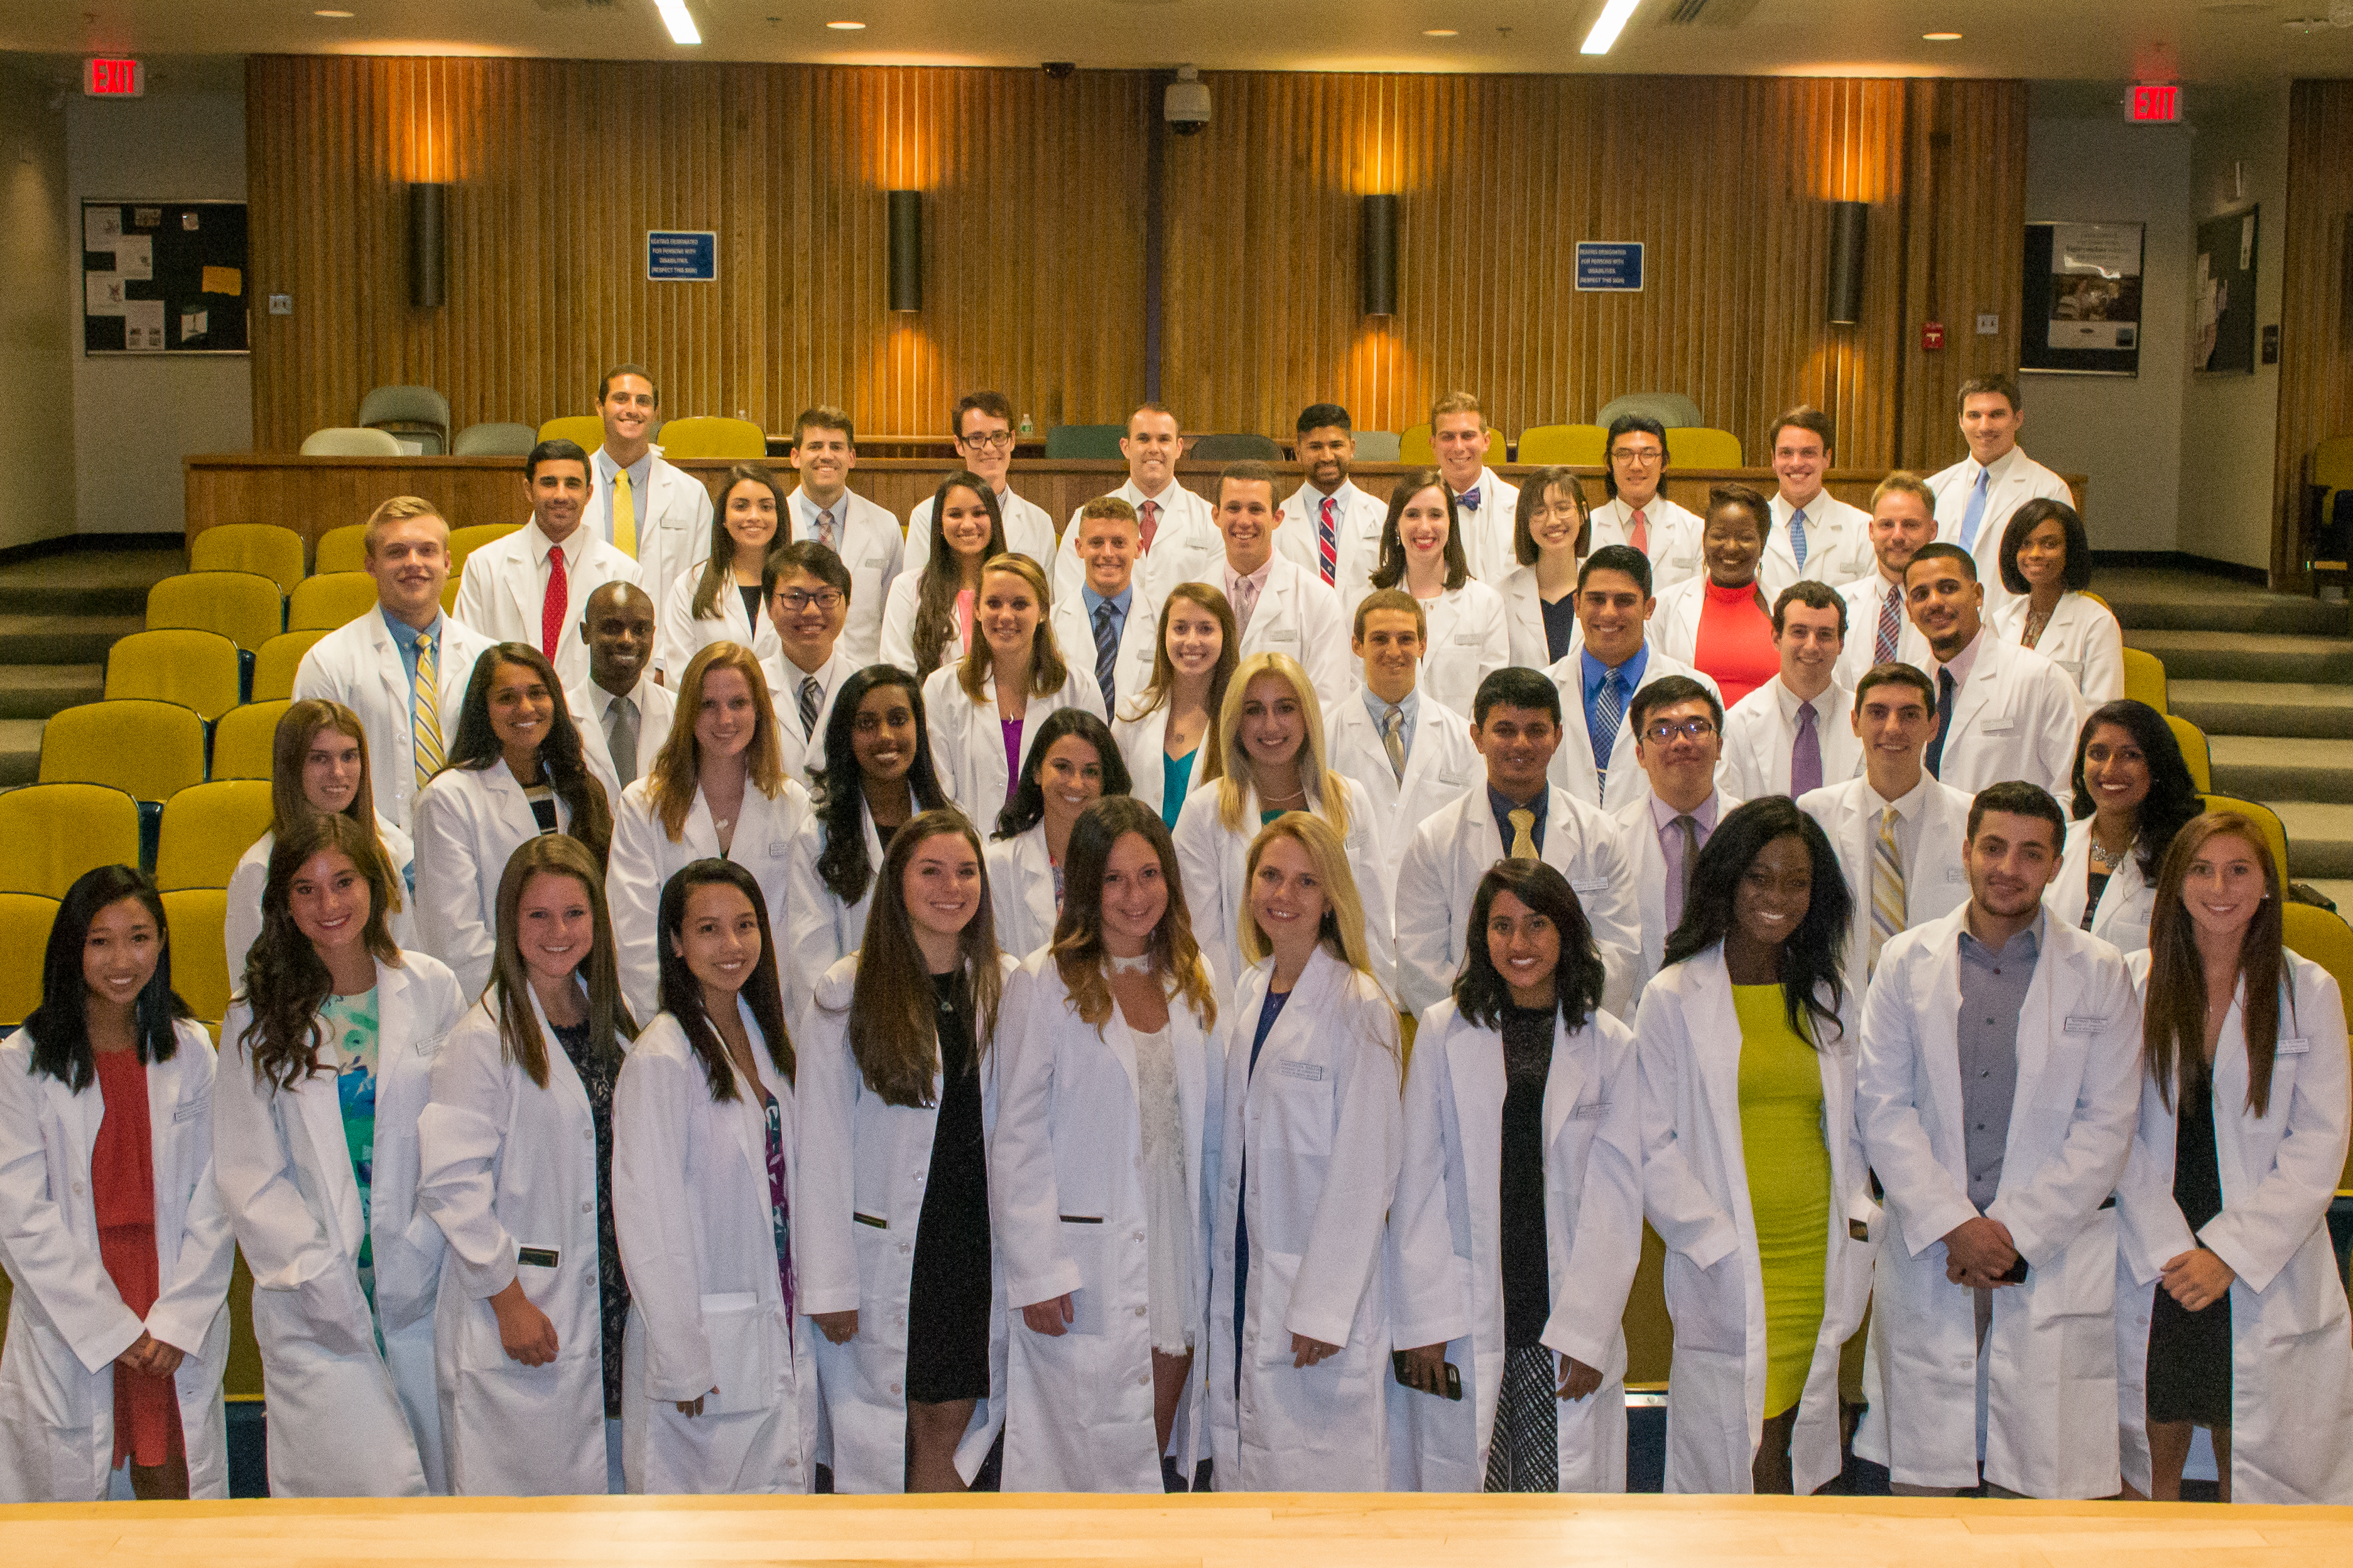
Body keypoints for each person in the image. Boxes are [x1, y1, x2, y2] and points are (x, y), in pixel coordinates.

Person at [1854, 781, 2143, 1500]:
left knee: (2037, 1495)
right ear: (1966, 851)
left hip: (2042, 1253)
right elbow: (1882, 1107)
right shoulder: (1904, 960)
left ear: (2054, 864)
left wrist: (2010, 1236)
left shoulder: (2100, 972)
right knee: (1924, 1490)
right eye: (1992, 847)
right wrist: (1955, 1226)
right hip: (1935, 1250)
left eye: (2029, 853)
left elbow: (2105, 1123)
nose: (2006, 867)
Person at [212, 813, 465, 1496]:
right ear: (283, 904)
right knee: (339, 1514)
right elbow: (246, 1169)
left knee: (439, 1506)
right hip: (315, 1298)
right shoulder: (254, 1014)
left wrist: (423, 1238)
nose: (328, 905)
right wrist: (314, 1272)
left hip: (423, 1274)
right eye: (305, 889)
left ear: (376, 885)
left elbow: (460, 1133)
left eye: (343, 881)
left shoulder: (434, 987)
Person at [2113, 813, 2353, 1504]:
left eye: (2238, 870)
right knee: (2149, 1431)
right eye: (2200, 869)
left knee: (2245, 1445)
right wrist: (2169, 1246)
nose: (2219, 887)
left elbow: (2318, 1142)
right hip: (2157, 1243)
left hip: (2256, 1251)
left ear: (2266, 888)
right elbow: (2108, 1128)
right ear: (2174, 884)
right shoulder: (2130, 981)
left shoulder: (2306, 991)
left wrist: (2228, 1254)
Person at [1636, 798, 1872, 1495]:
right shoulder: (1673, 996)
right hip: (1729, 1261)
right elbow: (1651, 1145)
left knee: (1801, 1448)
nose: (1776, 897)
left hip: (1811, 1256)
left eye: (1795, 882)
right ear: (1728, 881)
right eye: (1758, 878)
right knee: (1744, 1457)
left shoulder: (1827, 994)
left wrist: (1859, 1218)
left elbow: (1852, 1130)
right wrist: (1712, 1242)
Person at [991, 798, 1227, 1491]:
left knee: (1150, 1449)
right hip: (1082, 1258)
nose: (1133, 896)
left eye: (1148, 874)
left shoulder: (1194, 981)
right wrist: (1037, 1269)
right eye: (1114, 879)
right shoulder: (1045, 981)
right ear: (1083, 886)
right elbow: (1016, 1136)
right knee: (1081, 1459)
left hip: (1172, 1237)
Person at [1387, 860, 1644, 1494]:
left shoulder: (1610, 1044)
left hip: (1560, 1320)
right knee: (1469, 1520)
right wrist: (1424, 1324)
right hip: (1469, 1316)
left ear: (1565, 933)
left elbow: (1616, 1199)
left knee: (1560, 1519)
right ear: (1480, 938)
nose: (1518, 943)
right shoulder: (1444, 1032)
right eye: (1500, 926)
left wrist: (1587, 1332)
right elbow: (1418, 1183)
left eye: (1535, 924)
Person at [797, 812, 1016, 1493]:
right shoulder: (846, 992)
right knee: (917, 1429)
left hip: (977, 1248)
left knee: (957, 1425)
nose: (951, 887)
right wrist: (829, 1282)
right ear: (895, 884)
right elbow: (820, 1148)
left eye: (965, 871)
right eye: (930, 870)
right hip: (897, 1253)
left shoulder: (1007, 986)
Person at [414, 835, 639, 1496]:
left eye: (573, 913)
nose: (558, 931)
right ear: (509, 922)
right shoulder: (481, 1039)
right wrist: (508, 1300)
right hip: (525, 1305)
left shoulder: (616, 1026)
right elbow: (452, 1184)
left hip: (609, 1301)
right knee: (525, 1527)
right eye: (537, 915)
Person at [0, 867, 232, 1503]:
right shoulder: (21, 1063)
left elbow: (218, 1195)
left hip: (169, 1302)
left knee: (171, 1487)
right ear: (71, 949)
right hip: (78, 1305)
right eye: (100, 941)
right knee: (76, 1510)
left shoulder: (191, 1052)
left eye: (138, 937)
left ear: (161, 942)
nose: (122, 959)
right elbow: (18, 1215)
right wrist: (113, 1328)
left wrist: (178, 1320)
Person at [1204, 813, 1403, 1490]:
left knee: (1318, 1496)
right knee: (1250, 1486)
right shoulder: (1248, 987)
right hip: (1246, 1262)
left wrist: (1323, 1305)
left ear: (1329, 899)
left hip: (1314, 1290)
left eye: (1304, 880)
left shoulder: (1359, 1004)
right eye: (1269, 875)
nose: (1282, 894)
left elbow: (1366, 1169)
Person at [612, 858, 816, 1493]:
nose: (731, 945)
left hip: (776, 1317)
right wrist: (679, 1357)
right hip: (705, 1347)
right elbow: (647, 1216)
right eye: (707, 929)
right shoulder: (661, 1057)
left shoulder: (772, 1043)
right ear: (675, 943)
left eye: (745, 925)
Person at [1395, 668, 1639, 1019]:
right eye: (1505, 730)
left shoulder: (1600, 836)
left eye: (1536, 731)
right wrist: (1495, 1025)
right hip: (1471, 1033)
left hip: (1577, 1033)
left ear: (1557, 737)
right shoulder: (1435, 840)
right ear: (1477, 737)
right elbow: (1420, 962)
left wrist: (1555, 1022)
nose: (1521, 744)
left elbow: (1618, 951)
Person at [607, 642, 813, 1026]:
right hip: (676, 1017)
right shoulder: (641, 805)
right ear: (687, 712)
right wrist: (673, 1026)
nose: (724, 719)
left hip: (773, 1013)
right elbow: (635, 935)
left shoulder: (791, 803)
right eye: (708, 705)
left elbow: (798, 929)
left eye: (738, 703)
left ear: (759, 711)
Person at [1172, 652, 1394, 998]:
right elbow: (1202, 946)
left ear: (1307, 717)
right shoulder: (1203, 813)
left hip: (1341, 1007)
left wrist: (1379, 1006)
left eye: (1286, 708)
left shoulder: (1350, 800)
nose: (1271, 725)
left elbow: (1373, 924)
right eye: (1254, 710)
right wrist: (1240, 1034)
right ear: (1235, 722)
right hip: (1244, 1013)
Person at [413, 644, 615, 1000]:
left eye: (537, 693)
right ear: (483, 711)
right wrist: (537, 1003)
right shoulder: (448, 798)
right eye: (507, 698)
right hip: (499, 1005)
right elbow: (455, 938)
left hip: (586, 996)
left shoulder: (582, 788)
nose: (525, 708)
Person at [293, 496, 496, 833]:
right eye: (396, 552)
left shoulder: (487, 659)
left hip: (471, 851)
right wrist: (398, 857)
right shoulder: (327, 662)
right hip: (369, 856)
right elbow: (314, 782)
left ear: (447, 563)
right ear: (370, 565)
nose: (413, 563)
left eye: (427, 550)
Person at [782, 666, 953, 1022]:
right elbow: (814, 970)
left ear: (919, 729)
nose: (886, 736)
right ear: (847, 736)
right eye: (866, 724)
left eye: (898, 719)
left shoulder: (952, 829)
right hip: (856, 1034)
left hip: (946, 1020)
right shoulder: (817, 840)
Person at [1796, 664, 1975, 984]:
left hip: (1939, 1007)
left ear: (1933, 726)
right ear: (1855, 723)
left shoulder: (1970, 818)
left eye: (1909, 715)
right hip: (1840, 1012)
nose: (1893, 728)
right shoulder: (1815, 814)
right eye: (1878, 713)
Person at [226, 699, 418, 980]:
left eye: (349, 757)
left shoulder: (382, 854)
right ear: (291, 767)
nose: (338, 773)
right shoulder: (258, 869)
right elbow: (250, 989)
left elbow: (404, 962)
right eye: (319, 758)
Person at [453, 440, 642, 692]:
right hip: (508, 718)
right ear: (528, 490)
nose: (561, 495)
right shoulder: (484, 565)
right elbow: (465, 660)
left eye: (572, 484)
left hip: (592, 723)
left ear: (588, 494)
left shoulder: (623, 572)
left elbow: (633, 671)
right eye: (549, 483)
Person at [923, 553, 1106, 812]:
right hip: (969, 847)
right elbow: (940, 793)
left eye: (1020, 604)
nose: (1005, 616)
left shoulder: (1080, 688)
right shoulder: (940, 689)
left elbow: (1092, 787)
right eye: (994, 603)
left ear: (1044, 611)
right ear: (977, 609)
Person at [1545, 545, 1722, 811]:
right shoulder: (1546, 689)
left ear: (1649, 608)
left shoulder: (1698, 690)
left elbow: (1712, 789)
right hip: (1567, 845)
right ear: (1577, 605)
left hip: (1655, 845)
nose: (1608, 612)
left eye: (1624, 601)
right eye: (1596, 599)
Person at [1905, 542, 2084, 799]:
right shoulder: (1909, 686)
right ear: (1910, 610)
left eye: (1948, 588)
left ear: (1978, 595)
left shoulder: (2042, 680)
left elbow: (2071, 793)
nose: (1935, 602)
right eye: (1921, 594)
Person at [1327, 589, 1480, 888]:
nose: (1394, 651)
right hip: (1358, 908)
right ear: (1357, 645)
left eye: (1406, 639)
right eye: (1380, 639)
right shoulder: (1326, 737)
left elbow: (1476, 835)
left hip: (1437, 905)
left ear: (1423, 645)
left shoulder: (1462, 738)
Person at [1614, 677, 1744, 1001]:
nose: (1681, 742)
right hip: (1642, 1024)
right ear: (1640, 755)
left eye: (1696, 727)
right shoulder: (1611, 838)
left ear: (1719, 747)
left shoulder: (1753, 832)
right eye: (1662, 731)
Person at [2048, 700, 2204, 956]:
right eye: (2098, 754)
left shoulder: (2186, 856)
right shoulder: (2056, 843)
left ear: (2156, 766)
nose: (2110, 769)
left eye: (2131, 755)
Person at [1350, 470, 1508, 722]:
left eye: (1436, 515)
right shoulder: (1364, 602)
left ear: (1451, 523)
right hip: (1382, 747)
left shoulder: (1486, 604)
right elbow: (1354, 686)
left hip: (1462, 751)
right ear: (1396, 524)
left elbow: (1491, 698)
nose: (1425, 527)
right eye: (1413, 515)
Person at [1211, 460, 1354, 718]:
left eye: (1256, 509)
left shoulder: (1317, 598)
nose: (1244, 521)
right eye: (1233, 508)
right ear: (1216, 516)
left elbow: (1328, 701)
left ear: (1277, 518)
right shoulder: (1196, 593)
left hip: (1285, 750)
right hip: (1209, 750)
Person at [1928, 374, 2076, 621]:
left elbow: (2060, 577)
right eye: (1974, 415)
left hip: (2014, 629)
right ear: (1961, 421)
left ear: (2018, 419)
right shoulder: (1934, 489)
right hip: (1942, 626)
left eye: (1996, 415)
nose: (1985, 427)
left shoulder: (2049, 490)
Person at [986, 710, 1131, 960]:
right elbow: (992, 966)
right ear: (1037, 772)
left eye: (1091, 772)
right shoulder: (998, 865)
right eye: (1062, 767)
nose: (1076, 783)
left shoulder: (1128, 864)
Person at [1053, 404, 1219, 603]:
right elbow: (1068, 601)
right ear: (1125, 447)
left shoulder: (1210, 521)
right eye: (1143, 439)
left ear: (1179, 448)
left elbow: (1218, 601)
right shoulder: (1086, 519)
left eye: (1164, 439)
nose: (1154, 449)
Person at [1719, 582, 1863, 802]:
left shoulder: (1868, 720)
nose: (1811, 646)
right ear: (1776, 638)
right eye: (1799, 632)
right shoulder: (1737, 723)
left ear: (1841, 644)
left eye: (1825, 635)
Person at [587, 363, 714, 610]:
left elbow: (703, 583)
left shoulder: (691, 493)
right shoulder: (568, 489)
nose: (632, 410)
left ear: (655, 412)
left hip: (666, 641)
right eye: (621, 399)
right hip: (585, 639)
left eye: (643, 401)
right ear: (600, 407)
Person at [785, 405, 903, 668]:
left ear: (851, 458)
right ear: (795, 457)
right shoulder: (775, 525)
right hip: (793, 671)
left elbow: (893, 617)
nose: (826, 456)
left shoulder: (885, 525)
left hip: (863, 676)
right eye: (815, 446)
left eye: (836, 447)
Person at [1114, 583, 1236, 830]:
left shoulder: (1240, 720)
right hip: (1140, 862)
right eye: (1180, 628)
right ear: (1164, 636)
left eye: (1205, 629)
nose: (1192, 641)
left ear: (1226, 636)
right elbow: (1112, 802)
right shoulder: (1133, 715)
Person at [654, 463, 787, 682]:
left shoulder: (800, 584)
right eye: (741, 506)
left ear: (779, 516)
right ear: (723, 518)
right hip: (711, 714)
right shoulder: (689, 586)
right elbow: (680, 679)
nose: (754, 516)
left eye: (766, 507)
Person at [1655, 484, 1780, 709]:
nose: (1731, 547)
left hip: (1769, 741)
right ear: (1704, 540)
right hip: (1691, 740)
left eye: (1745, 538)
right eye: (1720, 536)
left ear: (1763, 544)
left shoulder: (1784, 609)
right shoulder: (1666, 605)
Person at [903, 392, 1057, 574]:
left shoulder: (1039, 522)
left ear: (1012, 440)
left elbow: (1047, 600)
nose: (990, 448)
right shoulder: (925, 516)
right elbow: (917, 593)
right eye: (977, 438)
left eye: (999, 436)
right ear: (959, 445)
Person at [1990, 498, 2124, 704]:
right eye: (2025, 544)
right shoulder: (2001, 620)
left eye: (2049, 544)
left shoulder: (2097, 623)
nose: (2034, 554)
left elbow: (2101, 711)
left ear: (2070, 551)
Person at [881, 470, 1009, 679]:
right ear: (940, 523)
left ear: (994, 520)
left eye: (979, 513)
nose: (968, 525)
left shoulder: (1015, 588)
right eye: (955, 514)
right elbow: (899, 675)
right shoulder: (906, 588)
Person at [1048, 496, 1160, 723]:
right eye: (1096, 542)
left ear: (1138, 548)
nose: (1108, 553)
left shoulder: (1162, 623)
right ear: (1079, 548)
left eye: (1119, 543)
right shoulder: (1051, 624)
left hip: (1138, 753)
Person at [761, 541, 857, 785]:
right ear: (769, 607)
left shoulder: (864, 688)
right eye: (795, 597)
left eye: (826, 597)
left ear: (847, 605)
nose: (812, 611)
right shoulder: (750, 687)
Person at [1834, 473, 1939, 687]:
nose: (1898, 536)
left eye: (1910, 525)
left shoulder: (1950, 610)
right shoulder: (1838, 603)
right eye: (1887, 525)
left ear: (1933, 530)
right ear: (1872, 531)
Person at [568, 581, 674, 795]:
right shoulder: (560, 715)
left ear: (653, 635)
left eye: (640, 630)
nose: (627, 640)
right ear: (585, 632)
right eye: (612, 628)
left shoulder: (680, 712)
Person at [1273, 403, 1386, 593]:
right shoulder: (1276, 522)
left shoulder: (1382, 515)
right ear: (1298, 453)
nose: (1327, 457)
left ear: (1352, 448)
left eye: (1336, 445)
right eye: (1315, 447)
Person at [1586, 415, 1703, 591]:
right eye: (1624, 455)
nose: (1636, 466)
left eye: (1648, 455)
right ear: (1608, 463)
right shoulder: (1587, 529)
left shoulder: (1695, 530)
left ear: (1664, 463)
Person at [1761, 407, 1873, 589]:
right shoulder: (1752, 527)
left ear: (1827, 458)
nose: (1796, 463)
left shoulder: (1863, 530)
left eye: (1808, 453)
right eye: (1786, 453)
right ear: (1773, 459)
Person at [1499, 466, 1591, 669]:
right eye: (1539, 512)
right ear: (1525, 521)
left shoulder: (1603, 588)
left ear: (1583, 513)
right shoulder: (1501, 596)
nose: (1553, 521)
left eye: (1563, 508)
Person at [1428, 392, 1521, 582]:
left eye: (1468, 436)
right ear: (1433, 444)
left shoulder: (1519, 504)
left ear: (1486, 442)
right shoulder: (1412, 506)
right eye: (1448, 437)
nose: (1459, 447)